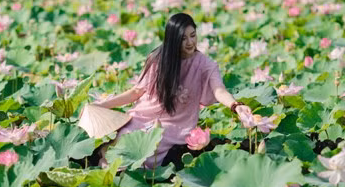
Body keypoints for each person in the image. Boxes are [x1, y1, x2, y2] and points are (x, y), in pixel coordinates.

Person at [94, 13, 247, 169]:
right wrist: (103, 105)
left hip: (176, 123)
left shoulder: (206, 65)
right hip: (145, 115)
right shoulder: (158, 59)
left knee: (149, 145)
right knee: (124, 136)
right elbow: (136, 92)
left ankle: (132, 173)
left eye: (193, 36)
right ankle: (107, 167)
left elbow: (219, 91)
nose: (190, 42)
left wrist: (236, 106)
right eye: (183, 38)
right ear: (173, 40)